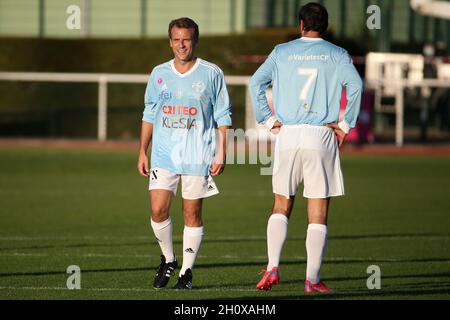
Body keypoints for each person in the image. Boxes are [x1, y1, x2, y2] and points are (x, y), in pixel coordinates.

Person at [249, 2, 362, 292]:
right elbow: (356, 87)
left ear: (301, 24)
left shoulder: (282, 51)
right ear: (325, 25)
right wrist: (346, 125)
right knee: (318, 211)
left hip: (287, 134)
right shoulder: (338, 54)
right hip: (321, 135)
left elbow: (256, 83)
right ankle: (311, 280)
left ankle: (273, 266)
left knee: (281, 204)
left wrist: (268, 119)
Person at [137, 17, 232, 290]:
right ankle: (168, 259)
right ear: (170, 42)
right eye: (176, 40)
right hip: (163, 154)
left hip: (196, 155)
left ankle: (186, 273)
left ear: (195, 41)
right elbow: (149, 113)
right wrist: (142, 150)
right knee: (157, 210)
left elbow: (223, 116)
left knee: (192, 213)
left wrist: (221, 152)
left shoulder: (212, 73)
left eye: (186, 40)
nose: (181, 45)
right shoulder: (158, 74)